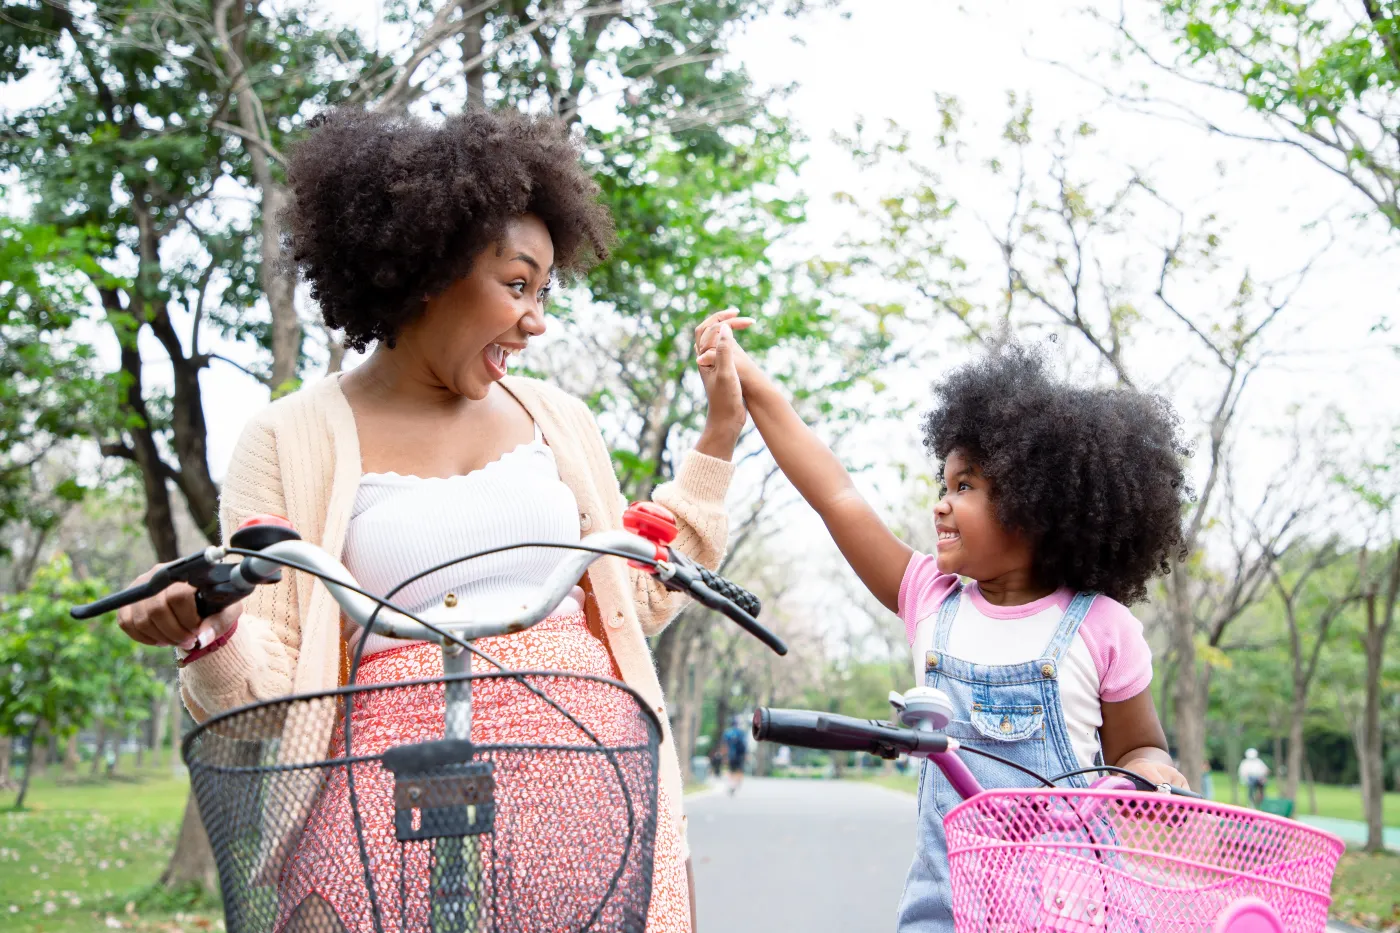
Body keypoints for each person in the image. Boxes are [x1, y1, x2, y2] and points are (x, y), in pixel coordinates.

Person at [114, 108, 750, 933]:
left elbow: (633, 590)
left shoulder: (559, 416)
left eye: (544, 290)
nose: (537, 318)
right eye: (516, 284)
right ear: (427, 267)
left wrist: (718, 437)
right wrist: (208, 626)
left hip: (594, 800)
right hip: (384, 819)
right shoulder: (285, 437)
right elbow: (267, 690)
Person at [695, 327, 1190, 932]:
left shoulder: (1102, 627)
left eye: (965, 487)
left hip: (1073, 912)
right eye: (943, 484)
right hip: (944, 911)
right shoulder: (930, 598)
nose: (940, 503)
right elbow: (836, 495)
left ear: (1037, 506)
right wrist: (751, 382)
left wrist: (1150, 775)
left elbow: (1141, 747)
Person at [721, 715, 749, 794]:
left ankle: (732, 785)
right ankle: (737, 783)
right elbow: (745, 745)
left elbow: (724, 745)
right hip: (740, 755)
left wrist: (724, 756)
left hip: (730, 755)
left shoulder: (727, 733)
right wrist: (746, 755)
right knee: (739, 770)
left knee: (731, 770)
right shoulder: (741, 732)